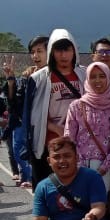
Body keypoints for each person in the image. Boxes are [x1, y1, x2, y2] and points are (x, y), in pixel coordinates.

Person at [22, 28, 87, 187]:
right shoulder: (39, 78)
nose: (63, 55)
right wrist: (54, 127)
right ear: (51, 51)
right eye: (59, 50)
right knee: (49, 191)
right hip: (48, 144)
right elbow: (29, 113)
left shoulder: (84, 74)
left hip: (79, 142)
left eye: (67, 49)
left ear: (74, 51)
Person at [63, 62, 110, 194]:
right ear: (87, 80)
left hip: (106, 169)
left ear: (108, 78)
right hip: (79, 168)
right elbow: (68, 139)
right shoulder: (76, 106)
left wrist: (104, 167)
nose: (98, 80)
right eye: (93, 77)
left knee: (102, 207)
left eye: (102, 76)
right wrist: (80, 165)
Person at [3, 34, 48, 188]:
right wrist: (10, 79)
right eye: (33, 52)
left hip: (53, 127)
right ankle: (29, 176)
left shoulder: (60, 75)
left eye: (40, 51)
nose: (35, 55)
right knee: (18, 150)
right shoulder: (29, 77)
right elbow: (15, 100)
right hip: (28, 123)